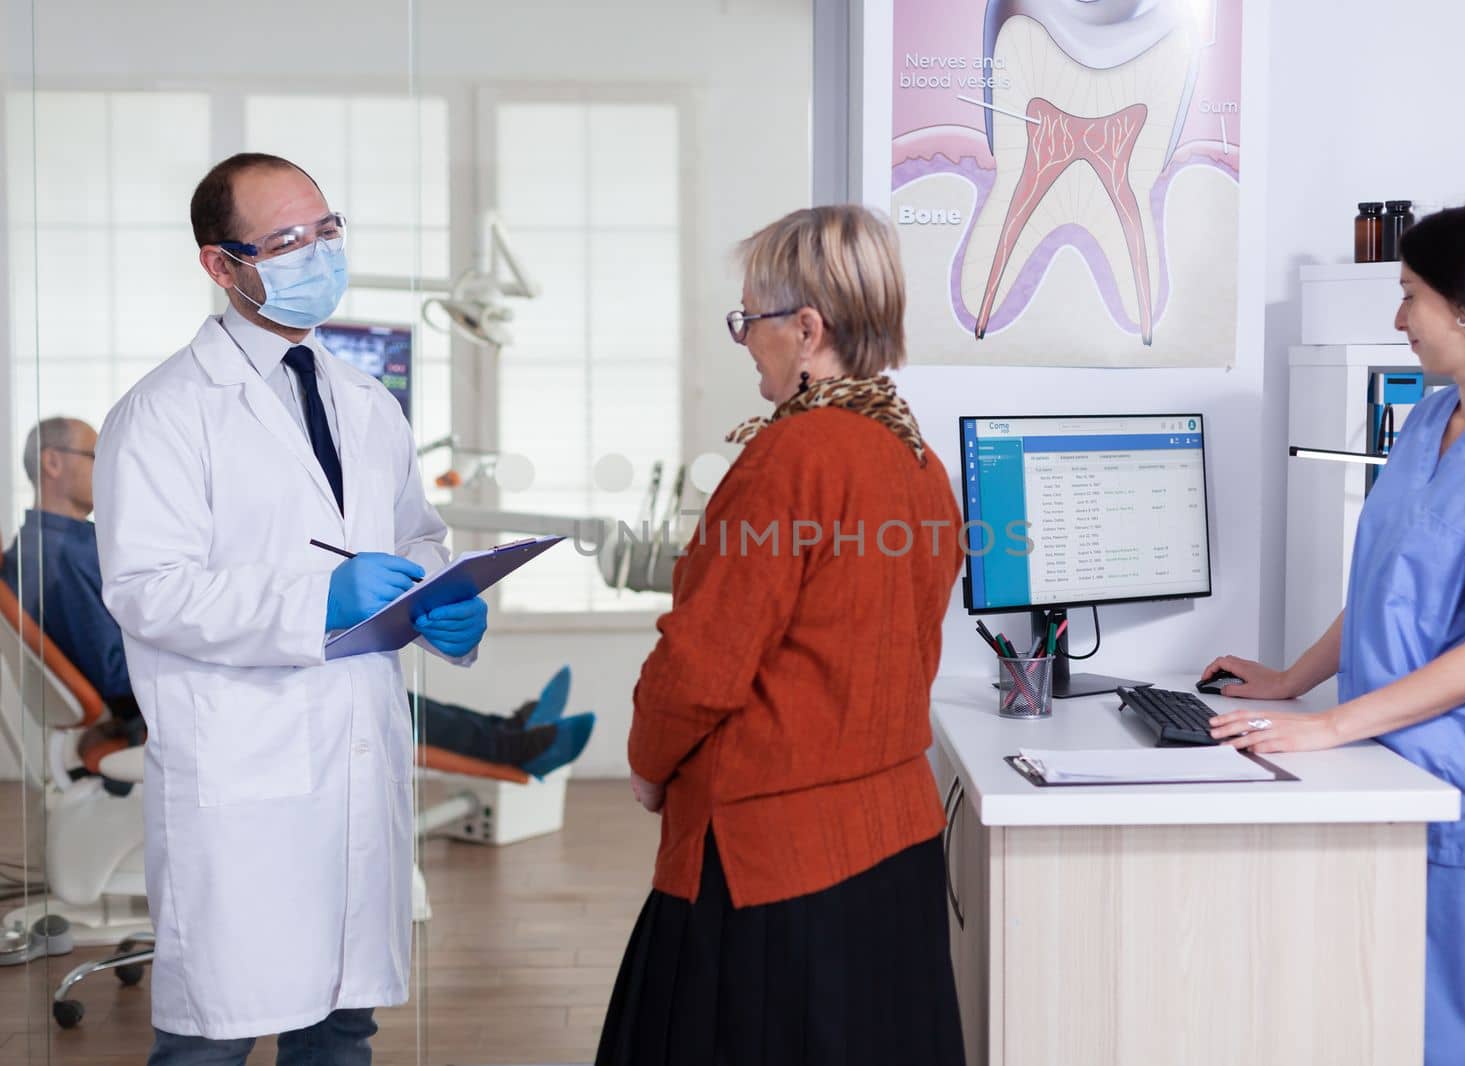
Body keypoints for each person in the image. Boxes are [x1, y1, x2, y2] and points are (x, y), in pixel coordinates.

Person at [93, 152, 493, 1063]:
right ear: (220, 264)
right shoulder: (161, 414)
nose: (315, 255)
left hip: (355, 753)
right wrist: (319, 601)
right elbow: (147, 590)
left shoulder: (365, 401)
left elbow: (416, 535)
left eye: (324, 231)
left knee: (342, 1027)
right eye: (283, 241)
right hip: (243, 772)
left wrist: (445, 599)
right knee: (212, 1039)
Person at [1201, 200, 1465, 1065]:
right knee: (1382, 1024)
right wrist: (1288, 681)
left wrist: (1328, 726)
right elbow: (1387, 586)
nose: (1397, 318)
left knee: (1464, 1043)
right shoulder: (1427, 420)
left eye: (1410, 295)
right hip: (1392, 775)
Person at [596, 205, 966, 1066]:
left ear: (806, 330)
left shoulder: (789, 459)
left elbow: (699, 665)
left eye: (750, 320)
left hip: (771, 865)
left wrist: (649, 766)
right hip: (895, 846)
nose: (744, 340)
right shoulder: (919, 461)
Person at [1, 415, 592, 777]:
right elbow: (115, 664)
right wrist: (248, 637)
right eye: (96, 456)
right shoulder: (54, 554)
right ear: (52, 463)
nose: (112, 469)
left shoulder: (76, 543)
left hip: (180, 681)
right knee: (350, 684)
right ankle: (515, 746)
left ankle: (508, 731)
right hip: (161, 706)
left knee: (369, 677)